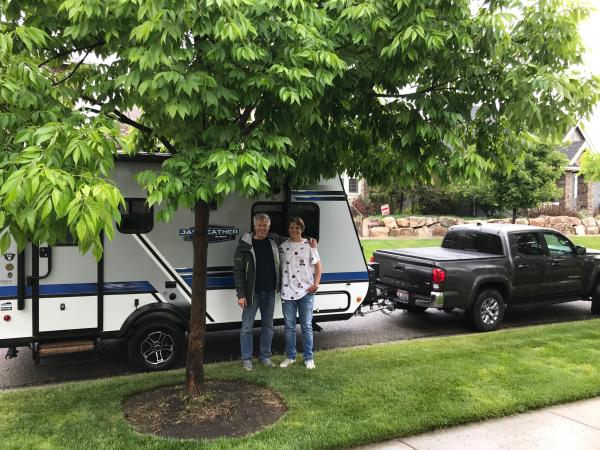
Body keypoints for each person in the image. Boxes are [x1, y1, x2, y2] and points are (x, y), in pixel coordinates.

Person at [233, 213, 279, 371]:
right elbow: (238, 271)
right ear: (254, 226)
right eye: (259, 225)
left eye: (265, 225)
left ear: (269, 226)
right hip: (252, 294)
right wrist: (241, 295)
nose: (262, 228)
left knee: (268, 326)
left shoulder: (273, 240)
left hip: (269, 292)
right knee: (247, 327)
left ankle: (265, 357)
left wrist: (310, 240)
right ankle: (247, 359)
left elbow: (294, 237)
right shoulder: (245, 244)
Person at [279, 217, 322, 370]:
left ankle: (308, 358)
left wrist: (316, 285)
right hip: (287, 292)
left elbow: (318, 268)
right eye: (291, 227)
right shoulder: (283, 247)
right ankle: (290, 357)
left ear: (302, 229)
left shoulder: (309, 245)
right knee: (289, 327)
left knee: (306, 326)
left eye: (297, 228)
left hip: (306, 292)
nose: (294, 230)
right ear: (288, 229)